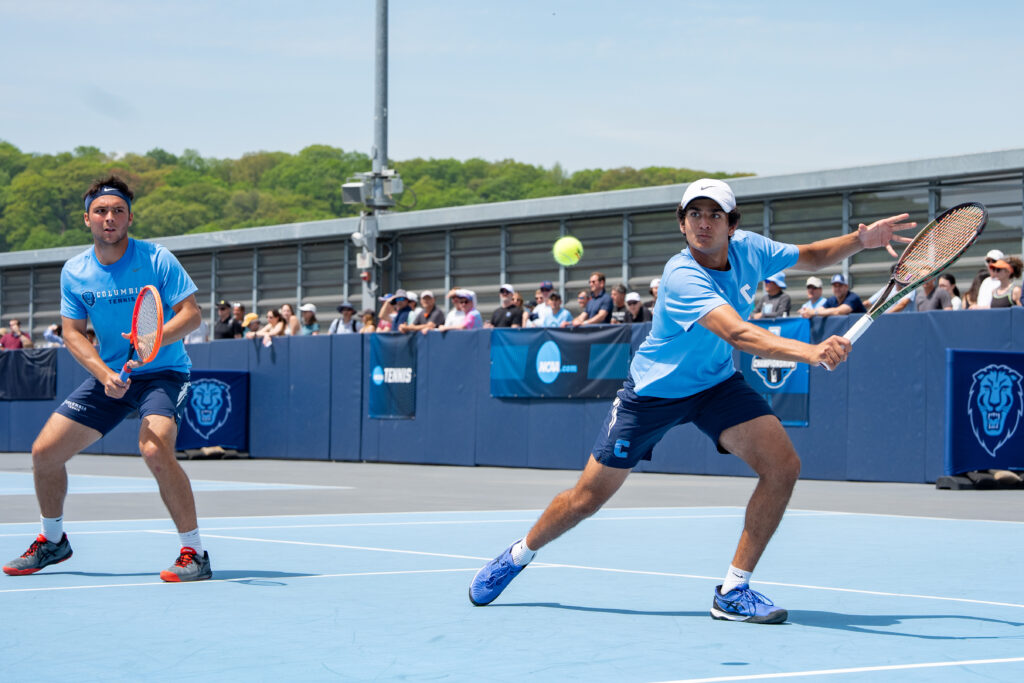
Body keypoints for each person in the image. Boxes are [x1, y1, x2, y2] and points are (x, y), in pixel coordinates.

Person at [467, 177, 915, 623]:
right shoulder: (682, 275)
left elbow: (812, 256)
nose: (704, 223)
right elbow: (738, 333)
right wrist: (810, 352)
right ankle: (519, 554)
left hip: (715, 384)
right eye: (694, 214)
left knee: (783, 466)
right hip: (653, 393)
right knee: (586, 498)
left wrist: (861, 240)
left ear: (731, 225)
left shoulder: (751, 249)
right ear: (682, 224)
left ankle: (734, 591)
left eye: (714, 215)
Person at [2, 174, 210, 582]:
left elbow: (191, 315)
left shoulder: (157, 259)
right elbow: (73, 333)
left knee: (154, 450)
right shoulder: (75, 271)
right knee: (44, 454)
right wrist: (104, 373)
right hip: (112, 375)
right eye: (100, 211)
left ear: (130, 218)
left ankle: (195, 553)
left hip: (164, 373)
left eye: (117, 211)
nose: (109, 217)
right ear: (87, 219)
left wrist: (152, 340)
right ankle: (53, 541)